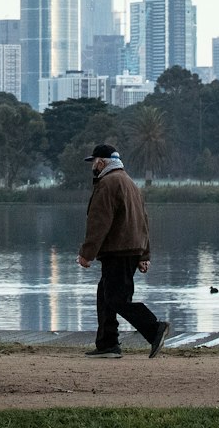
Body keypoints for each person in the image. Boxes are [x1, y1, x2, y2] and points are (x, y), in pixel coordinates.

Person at [77, 143, 169, 358]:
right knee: (105, 295)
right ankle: (107, 344)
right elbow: (144, 220)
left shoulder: (107, 184)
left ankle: (154, 328)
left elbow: (99, 222)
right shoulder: (130, 183)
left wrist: (86, 253)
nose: (93, 167)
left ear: (101, 162)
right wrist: (144, 254)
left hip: (118, 249)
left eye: (93, 163)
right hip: (132, 248)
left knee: (117, 299)